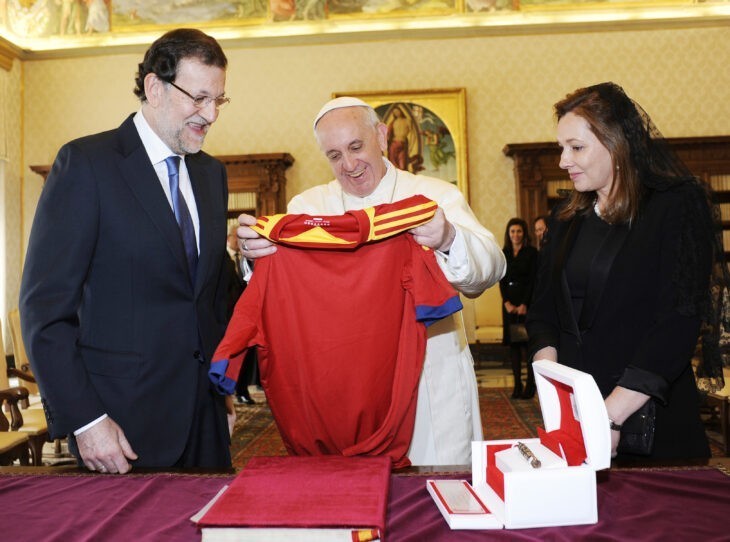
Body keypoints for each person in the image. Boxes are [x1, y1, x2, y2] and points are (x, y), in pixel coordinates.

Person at [237, 97, 506, 465]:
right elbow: (283, 296)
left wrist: (447, 237)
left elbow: (490, 268)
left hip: (430, 383)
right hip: (346, 389)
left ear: (381, 136)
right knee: (352, 501)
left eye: (355, 146)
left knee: (436, 497)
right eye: (333, 155)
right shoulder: (308, 208)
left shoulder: (433, 196)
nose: (348, 165)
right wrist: (255, 256)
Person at [19, 28, 233, 473]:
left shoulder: (212, 175)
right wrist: (86, 420)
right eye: (198, 98)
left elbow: (207, 295)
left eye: (219, 100)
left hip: (205, 423)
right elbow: (44, 311)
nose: (210, 114)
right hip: (121, 428)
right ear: (154, 86)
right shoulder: (87, 165)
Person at [526, 82, 726, 460]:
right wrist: (555, 388)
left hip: (650, 425)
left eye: (576, 147)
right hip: (576, 424)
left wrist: (609, 417)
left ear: (617, 143)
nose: (562, 161)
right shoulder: (566, 217)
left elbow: (677, 324)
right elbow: (543, 313)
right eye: (561, 148)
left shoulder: (677, 206)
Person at [499, 218, 538, 399]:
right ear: (508, 234)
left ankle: (530, 385)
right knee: (513, 346)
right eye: (512, 231)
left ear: (524, 233)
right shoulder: (503, 253)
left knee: (527, 345)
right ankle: (517, 384)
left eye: (519, 231)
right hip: (508, 305)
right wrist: (506, 302)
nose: (516, 235)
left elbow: (532, 280)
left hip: (525, 304)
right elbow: (501, 279)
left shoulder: (531, 253)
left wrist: (525, 304)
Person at [224, 224, 256, 405]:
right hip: (227, 317)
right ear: (229, 238)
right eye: (236, 237)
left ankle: (243, 391)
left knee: (247, 355)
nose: (239, 241)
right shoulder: (221, 258)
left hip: (246, 317)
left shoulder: (246, 259)